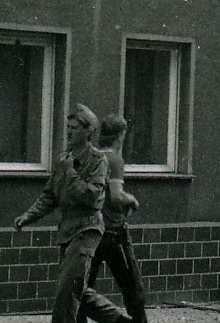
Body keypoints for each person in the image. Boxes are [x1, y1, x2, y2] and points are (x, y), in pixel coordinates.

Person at [13, 105, 131, 323]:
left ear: (89, 131)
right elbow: (50, 195)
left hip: (87, 230)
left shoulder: (97, 161)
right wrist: (28, 216)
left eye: (74, 128)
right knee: (76, 289)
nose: (68, 132)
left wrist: (70, 171)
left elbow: (93, 196)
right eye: (67, 127)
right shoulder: (63, 159)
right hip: (67, 231)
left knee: (67, 291)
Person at [79, 114, 148, 323]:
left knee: (83, 287)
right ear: (120, 135)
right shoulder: (115, 160)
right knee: (132, 286)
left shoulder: (90, 158)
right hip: (113, 232)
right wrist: (132, 200)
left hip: (90, 231)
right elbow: (117, 196)